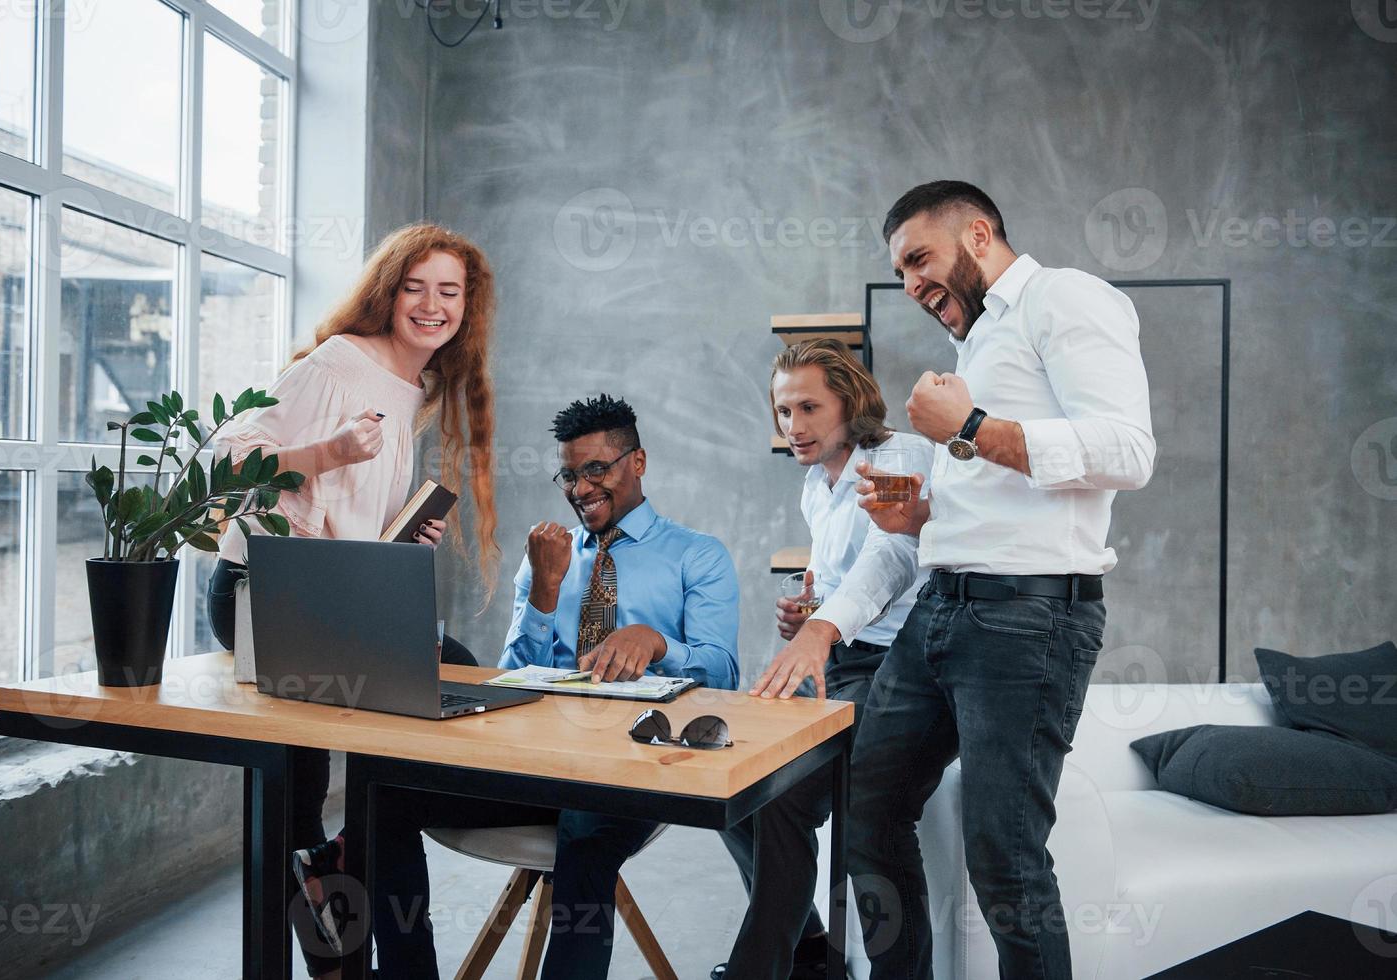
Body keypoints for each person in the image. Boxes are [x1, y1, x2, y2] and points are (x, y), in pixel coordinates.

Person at [760, 180, 1155, 978]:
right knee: (866, 811)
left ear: (977, 235)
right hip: (940, 613)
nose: (910, 285)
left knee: (1003, 856)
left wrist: (968, 426)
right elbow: (1006, 498)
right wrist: (924, 520)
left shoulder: (1065, 299)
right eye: (901, 272)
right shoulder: (978, 342)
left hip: (1027, 622)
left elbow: (1127, 452)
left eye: (918, 260)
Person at [203, 222, 503, 979]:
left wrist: (402, 540)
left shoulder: (411, 388)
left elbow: (346, 518)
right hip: (264, 593)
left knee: (449, 694)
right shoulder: (340, 363)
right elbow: (225, 460)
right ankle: (336, 945)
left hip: (331, 598)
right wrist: (326, 453)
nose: (432, 305)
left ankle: (363, 921)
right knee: (305, 793)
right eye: (416, 287)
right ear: (388, 292)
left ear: (468, 307)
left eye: (450, 292)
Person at [369, 393, 739, 980]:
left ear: (637, 462)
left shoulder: (698, 556)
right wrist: (543, 592)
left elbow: (724, 674)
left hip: (631, 772)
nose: (580, 487)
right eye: (569, 474)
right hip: (539, 762)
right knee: (381, 795)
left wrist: (658, 643)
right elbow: (511, 677)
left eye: (597, 469)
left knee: (586, 826)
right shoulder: (548, 554)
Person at [712, 340, 932, 980]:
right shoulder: (816, 484)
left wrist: (823, 630)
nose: (793, 426)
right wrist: (807, 614)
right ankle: (808, 954)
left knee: (832, 814)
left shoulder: (898, 458)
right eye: (783, 411)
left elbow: (892, 554)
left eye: (809, 407)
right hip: (842, 664)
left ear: (852, 403)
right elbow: (830, 573)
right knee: (743, 788)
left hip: (902, 668)